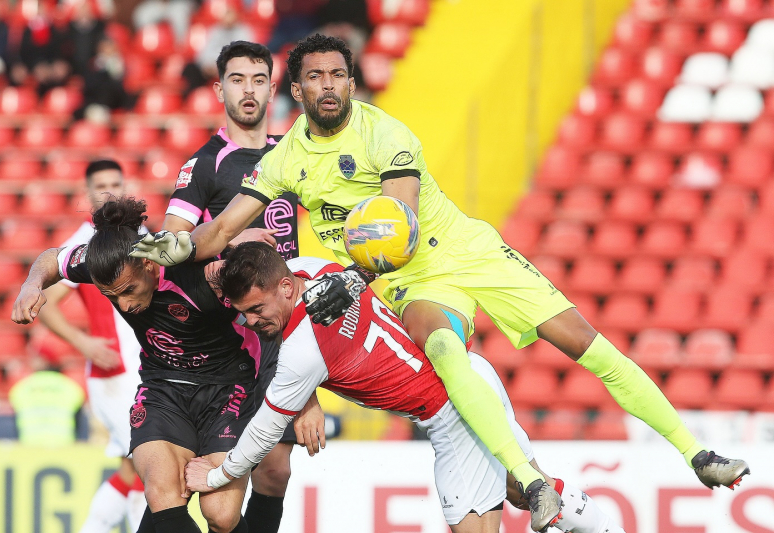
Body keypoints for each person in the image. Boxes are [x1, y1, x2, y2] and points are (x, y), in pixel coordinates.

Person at [130, 34, 750, 530]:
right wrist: (178, 244)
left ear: (352, 82)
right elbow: (218, 232)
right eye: (314, 77)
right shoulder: (285, 157)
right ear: (296, 89)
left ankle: (695, 453)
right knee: (446, 350)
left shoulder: (387, 134)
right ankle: (534, 486)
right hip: (412, 278)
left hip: (461, 247)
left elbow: (397, 218)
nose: (327, 86)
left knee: (586, 343)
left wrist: (353, 275)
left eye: (338, 75)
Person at [183, 242, 626, 533]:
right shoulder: (316, 268)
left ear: (284, 288)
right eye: (244, 314)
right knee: (526, 488)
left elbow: (262, 433)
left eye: (257, 309)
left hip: (454, 417)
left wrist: (219, 474)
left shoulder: (302, 352)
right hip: (469, 373)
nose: (253, 322)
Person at [12, 197, 323, 533]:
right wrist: (30, 286)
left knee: (221, 515)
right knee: (163, 495)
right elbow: (51, 259)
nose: (125, 304)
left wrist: (306, 400)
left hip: (228, 390)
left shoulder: (205, 277)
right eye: (112, 296)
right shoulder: (103, 264)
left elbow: (280, 322)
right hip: (163, 388)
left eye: (128, 290)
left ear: (149, 265)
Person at [163, 40, 302, 533]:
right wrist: (231, 237)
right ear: (220, 88)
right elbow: (170, 246)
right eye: (238, 80)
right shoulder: (205, 164)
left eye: (259, 80)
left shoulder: (292, 153)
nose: (250, 90)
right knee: (222, 512)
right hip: (229, 346)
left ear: (272, 87)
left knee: (278, 470)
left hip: (285, 336)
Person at [37, 160, 147, 533]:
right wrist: (83, 342)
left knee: (132, 469)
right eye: (100, 185)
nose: (110, 191)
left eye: (115, 182)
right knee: (151, 465)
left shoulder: (142, 232)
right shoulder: (81, 243)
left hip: (146, 368)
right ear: (87, 194)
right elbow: (46, 302)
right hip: (114, 373)